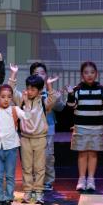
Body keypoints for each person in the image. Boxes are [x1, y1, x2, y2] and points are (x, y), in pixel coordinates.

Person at [9, 65, 60, 204]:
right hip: (25, 138)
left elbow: (52, 99)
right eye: (28, 88)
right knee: (26, 167)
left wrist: (49, 85)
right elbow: (12, 90)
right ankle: (27, 192)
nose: (29, 91)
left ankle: (38, 192)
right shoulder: (22, 100)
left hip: (40, 139)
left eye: (33, 89)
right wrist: (13, 74)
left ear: (39, 90)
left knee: (39, 167)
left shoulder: (43, 102)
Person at [65, 61, 103, 192]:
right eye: (86, 72)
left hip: (96, 128)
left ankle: (91, 179)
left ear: (96, 74)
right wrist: (70, 94)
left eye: (92, 72)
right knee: (82, 154)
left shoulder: (101, 89)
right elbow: (71, 106)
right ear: (82, 75)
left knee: (93, 154)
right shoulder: (77, 89)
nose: (89, 75)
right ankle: (82, 179)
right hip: (81, 127)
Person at [0, 84, 29, 205]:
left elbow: (27, 116)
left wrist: (26, 102)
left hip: (11, 147)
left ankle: (8, 199)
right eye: (3, 97)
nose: (6, 99)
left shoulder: (15, 109)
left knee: (10, 175)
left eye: (9, 97)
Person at [29, 62, 65, 191]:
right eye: (36, 73)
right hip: (32, 129)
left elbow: (60, 108)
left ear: (46, 76)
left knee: (48, 156)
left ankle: (48, 181)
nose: (39, 76)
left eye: (42, 73)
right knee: (33, 157)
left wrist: (55, 97)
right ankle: (35, 181)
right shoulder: (28, 92)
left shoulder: (50, 91)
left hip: (48, 128)